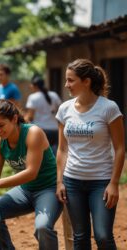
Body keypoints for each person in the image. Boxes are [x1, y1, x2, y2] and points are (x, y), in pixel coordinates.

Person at [56, 59, 125, 249]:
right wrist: (60, 181)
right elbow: (62, 149)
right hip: (72, 181)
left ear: (86, 81)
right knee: (80, 237)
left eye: (70, 80)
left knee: (103, 236)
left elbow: (120, 148)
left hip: (101, 182)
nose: (66, 85)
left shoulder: (109, 108)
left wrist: (114, 183)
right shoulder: (64, 109)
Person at [0, 99, 62, 249]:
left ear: (14, 119)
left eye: (1, 125)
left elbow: (31, 173)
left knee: (42, 228)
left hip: (48, 189)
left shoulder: (33, 133)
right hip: (25, 191)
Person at [25, 76, 62, 153]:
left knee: (43, 154)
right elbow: (61, 109)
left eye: (31, 85)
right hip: (55, 129)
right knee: (54, 154)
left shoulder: (33, 97)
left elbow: (30, 116)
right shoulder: (54, 95)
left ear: (35, 86)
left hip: (41, 130)